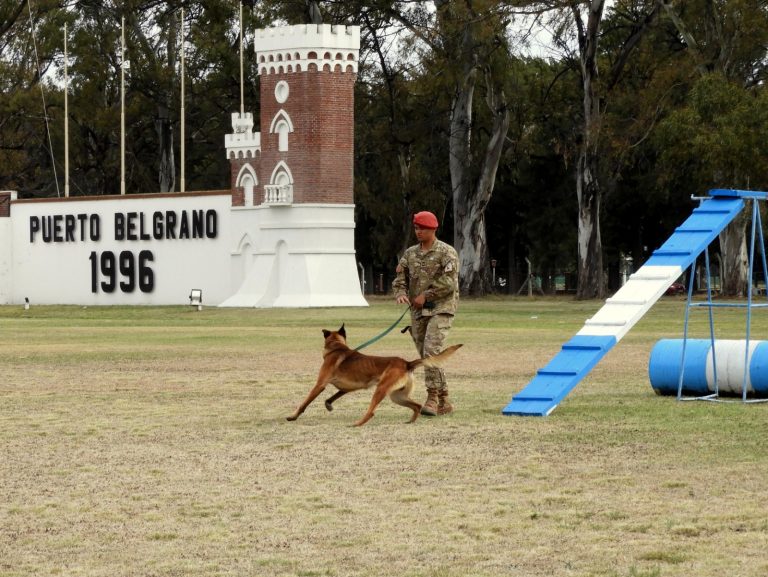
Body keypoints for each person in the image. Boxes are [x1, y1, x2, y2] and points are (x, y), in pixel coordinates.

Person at [392, 211, 460, 416]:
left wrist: (427, 295)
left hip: (441, 308)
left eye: (422, 228)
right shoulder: (410, 253)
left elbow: (449, 283)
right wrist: (401, 293)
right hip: (418, 311)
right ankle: (444, 399)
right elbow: (399, 278)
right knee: (427, 356)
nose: (418, 231)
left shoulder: (447, 252)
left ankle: (431, 398)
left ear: (433, 229)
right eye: (416, 228)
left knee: (431, 351)